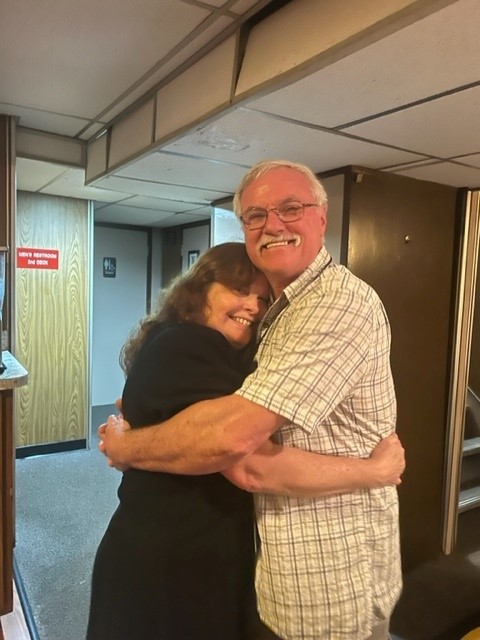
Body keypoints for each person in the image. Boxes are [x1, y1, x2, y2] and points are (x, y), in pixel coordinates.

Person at [100, 161, 404, 640]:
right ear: (199, 290)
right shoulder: (206, 340)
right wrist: (372, 471)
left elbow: (238, 449)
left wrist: (129, 443)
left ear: (322, 217)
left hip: (327, 582)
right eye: (256, 215)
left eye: (290, 208)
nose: (273, 224)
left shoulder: (332, 305)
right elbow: (242, 457)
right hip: (186, 557)